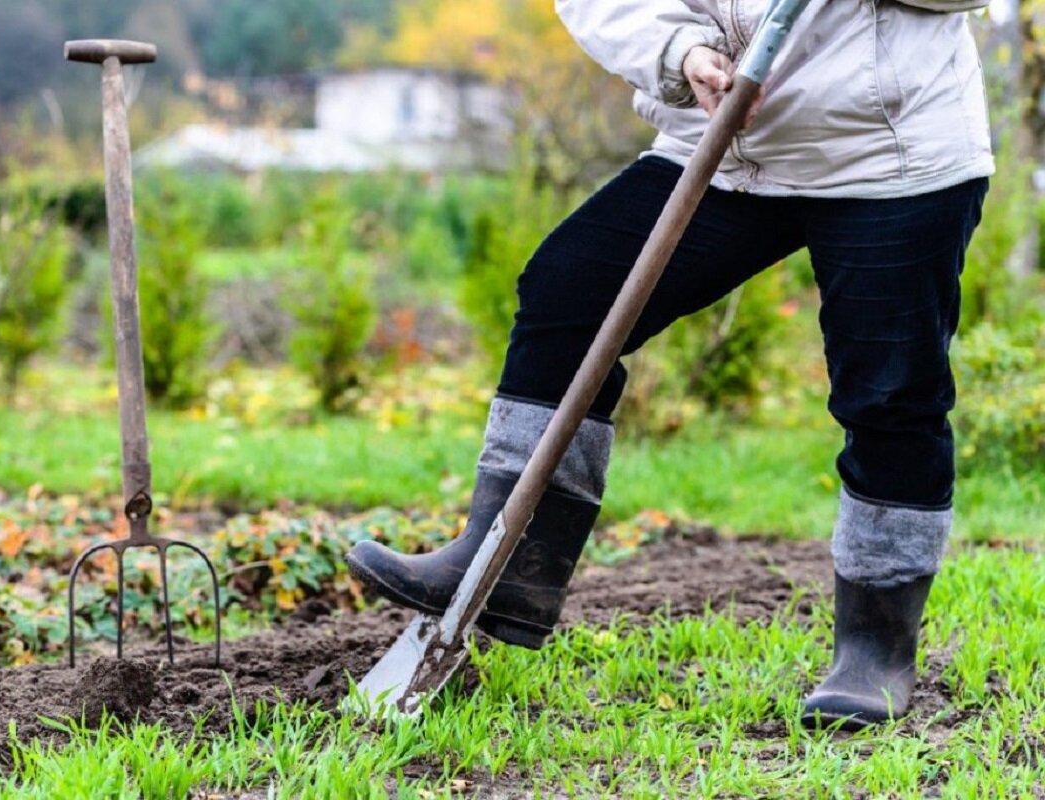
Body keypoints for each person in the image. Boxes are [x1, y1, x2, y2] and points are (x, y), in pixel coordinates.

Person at [346, 0, 993, 730]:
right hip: (722, 141)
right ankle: (509, 560)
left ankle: (875, 649)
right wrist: (679, 52)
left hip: (887, 155)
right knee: (572, 292)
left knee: (887, 391)